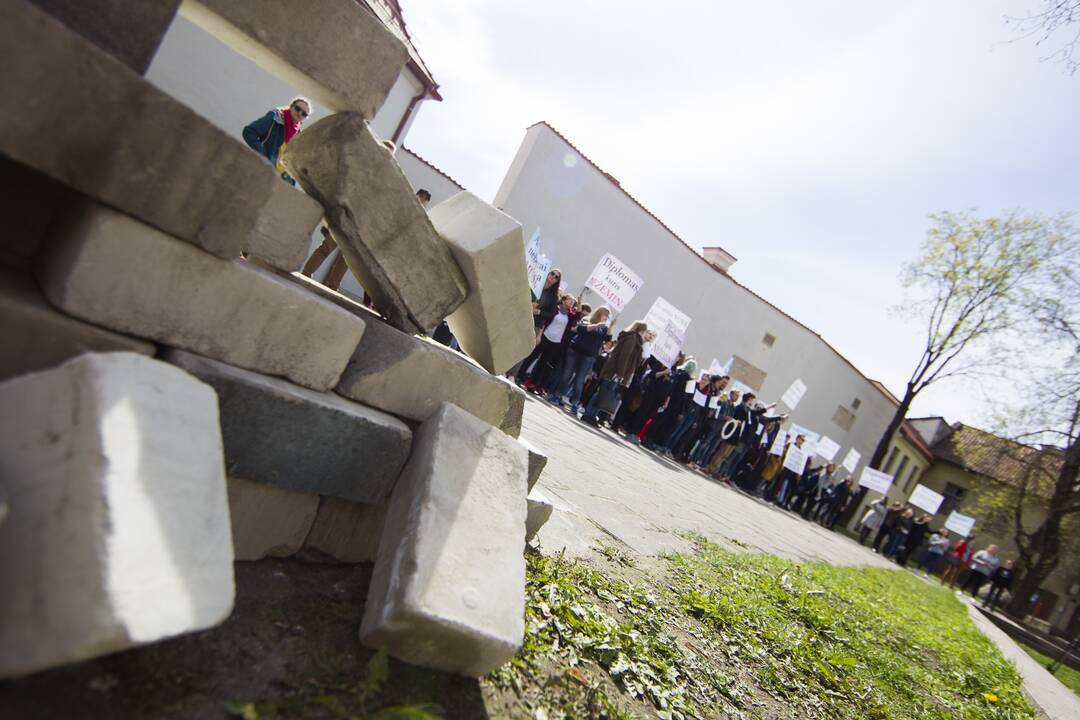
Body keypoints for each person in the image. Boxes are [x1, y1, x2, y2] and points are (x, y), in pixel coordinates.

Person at [580, 321, 649, 426]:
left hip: (617, 372)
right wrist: (620, 373)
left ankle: (591, 415)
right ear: (641, 330)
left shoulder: (637, 341)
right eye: (645, 331)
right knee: (602, 393)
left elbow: (635, 361)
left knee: (604, 394)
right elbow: (624, 357)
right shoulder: (632, 339)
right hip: (614, 371)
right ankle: (588, 414)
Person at [549, 306, 611, 414]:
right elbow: (581, 329)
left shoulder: (604, 328)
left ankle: (574, 403)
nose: (606, 318)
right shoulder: (587, 320)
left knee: (579, 380)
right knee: (567, 374)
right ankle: (557, 395)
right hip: (575, 351)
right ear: (599, 314)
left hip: (589, 356)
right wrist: (596, 325)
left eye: (607, 316)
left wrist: (612, 326)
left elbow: (607, 339)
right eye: (604, 315)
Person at [516, 293, 579, 391]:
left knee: (543, 363)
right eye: (570, 300)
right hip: (545, 336)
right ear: (563, 300)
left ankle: (532, 384)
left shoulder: (570, 315)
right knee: (533, 357)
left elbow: (578, 315)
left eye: (573, 301)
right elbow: (545, 322)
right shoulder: (555, 309)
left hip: (556, 341)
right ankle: (519, 376)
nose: (572, 302)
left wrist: (580, 300)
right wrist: (539, 335)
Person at [242, 96, 311, 184]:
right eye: (297, 108)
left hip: (280, 181)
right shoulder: (276, 118)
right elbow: (249, 132)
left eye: (304, 114)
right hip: (263, 171)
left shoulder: (298, 137)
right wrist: (263, 155)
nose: (300, 113)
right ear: (291, 107)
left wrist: (291, 181)